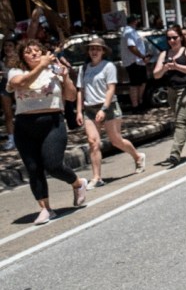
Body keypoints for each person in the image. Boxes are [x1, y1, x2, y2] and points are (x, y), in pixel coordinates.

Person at [7, 39, 85, 225]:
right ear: (22, 57)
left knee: (54, 165)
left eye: (37, 50)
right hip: (25, 124)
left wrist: (65, 78)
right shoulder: (16, 72)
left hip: (53, 123)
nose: (34, 54)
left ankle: (77, 183)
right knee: (33, 168)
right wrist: (41, 66)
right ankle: (45, 208)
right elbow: (20, 83)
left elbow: (71, 96)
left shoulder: (53, 71)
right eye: (28, 52)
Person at [75, 36, 146, 187]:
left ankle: (138, 156)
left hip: (108, 106)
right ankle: (96, 177)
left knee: (116, 140)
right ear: (88, 51)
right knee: (93, 142)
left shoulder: (108, 67)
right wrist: (79, 111)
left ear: (103, 51)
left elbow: (111, 89)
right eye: (92, 48)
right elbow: (80, 90)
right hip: (89, 108)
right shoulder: (84, 68)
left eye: (98, 49)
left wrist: (104, 109)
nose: (94, 51)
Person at [153, 24, 186, 167]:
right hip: (171, 93)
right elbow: (156, 75)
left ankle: (174, 155)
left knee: (181, 122)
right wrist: (165, 67)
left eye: (174, 37)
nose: (172, 41)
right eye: (169, 38)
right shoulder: (164, 54)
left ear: (180, 37)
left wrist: (177, 66)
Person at [119, 13, 149, 112]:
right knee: (135, 84)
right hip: (134, 62)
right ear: (134, 21)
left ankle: (139, 102)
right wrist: (142, 56)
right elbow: (131, 47)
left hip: (138, 62)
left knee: (142, 83)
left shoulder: (131, 31)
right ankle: (136, 106)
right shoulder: (129, 32)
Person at [0, 37, 17, 150]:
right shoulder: (1, 59)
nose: (7, 48)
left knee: (22, 113)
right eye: (5, 45)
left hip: (18, 84)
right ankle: (11, 140)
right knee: (8, 114)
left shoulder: (19, 58)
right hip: (4, 85)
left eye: (10, 45)